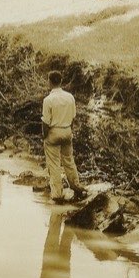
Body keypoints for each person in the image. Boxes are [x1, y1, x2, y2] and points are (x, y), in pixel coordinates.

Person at [40, 70, 87, 202]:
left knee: (54, 164)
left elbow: (45, 122)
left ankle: (57, 193)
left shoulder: (48, 100)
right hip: (67, 130)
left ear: (49, 82)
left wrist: (45, 137)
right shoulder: (70, 97)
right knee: (69, 160)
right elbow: (73, 118)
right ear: (61, 81)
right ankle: (75, 185)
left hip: (54, 132)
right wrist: (69, 132)